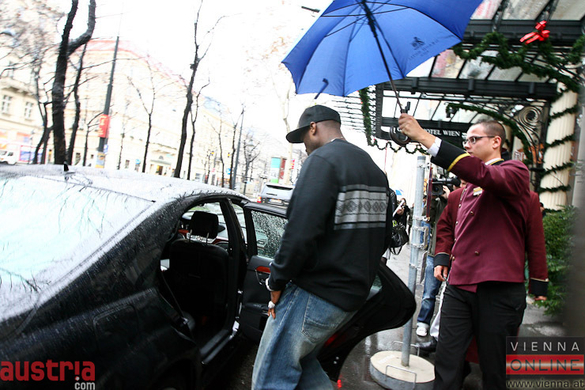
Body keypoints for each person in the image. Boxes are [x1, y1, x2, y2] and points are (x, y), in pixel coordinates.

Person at [398, 114, 549, 390]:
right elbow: (449, 227)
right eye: (465, 140)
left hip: (499, 289)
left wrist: (425, 137)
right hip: (459, 285)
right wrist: (443, 257)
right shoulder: (464, 191)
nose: (467, 144)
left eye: (473, 139)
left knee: (495, 368)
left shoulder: (516, 173)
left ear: (496, 142)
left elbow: (535, 240)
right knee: (446, 359)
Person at [252, 105, 393, 389]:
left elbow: (299, 231)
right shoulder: (375, 171)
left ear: (314, 127)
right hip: (350, 298)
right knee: (304, 366)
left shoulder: (323, 161)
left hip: (314, 293)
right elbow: (383, 238)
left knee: (270, 377)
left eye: (303, 137)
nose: (305, 147)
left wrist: (276, 280)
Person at [415, 184, 450, 337]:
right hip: (434, 253)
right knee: (429, 293)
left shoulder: (458, 201)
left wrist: (451, 199)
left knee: (449, 297)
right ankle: (423, 322)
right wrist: (431, 198)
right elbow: (426, 217)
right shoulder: (438, 202)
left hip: (454, 256)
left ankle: (441, 330)